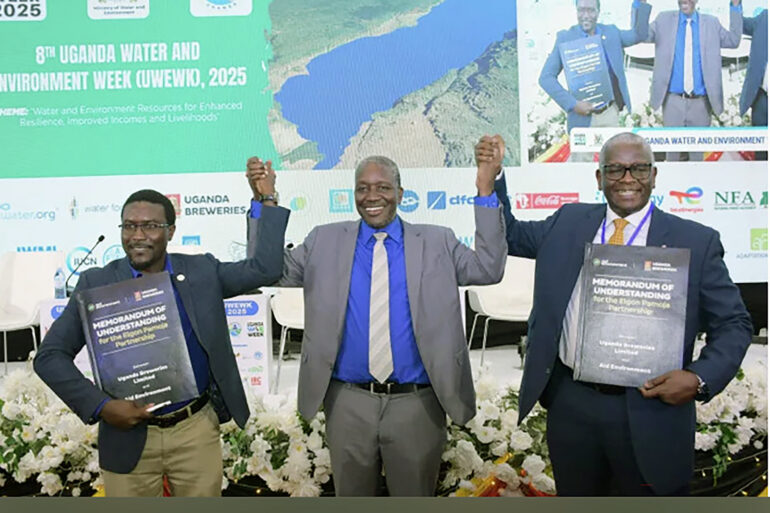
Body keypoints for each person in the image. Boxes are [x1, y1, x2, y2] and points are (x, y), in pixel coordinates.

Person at [476, 132, 752, 495]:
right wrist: (490, 180)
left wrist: (699, 378)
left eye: (638, 169)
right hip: (572, 405)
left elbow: (733, 323)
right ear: (599, 177)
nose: (627, 178)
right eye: (615, 169)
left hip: (650, 407)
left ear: (654, 175)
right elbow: (508, 234)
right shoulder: (568, 222)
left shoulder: (696, 241)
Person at [245, 154, 506, 496]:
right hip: (348, 402)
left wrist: (485, 188)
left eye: (383, 187)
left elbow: (488, 268)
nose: (372, 196)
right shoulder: (323, 241)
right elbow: (267, 270)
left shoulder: (438, 241)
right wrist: (265, 200)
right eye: (363, 188)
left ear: (400, 193)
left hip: (417, 403)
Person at [33, 189, 289, 496]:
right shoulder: (96, 282)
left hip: (194, 430)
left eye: (150, 226)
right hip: (126, 437)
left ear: (171, 231)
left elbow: (265, 269)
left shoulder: (202, 271)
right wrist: (102, 406)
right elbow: (49, 356)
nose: (138, 235)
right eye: (129, 226)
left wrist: (266, 200)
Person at [539, 0, 651, 160]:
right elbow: (545, 78)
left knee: (613, 162)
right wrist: (573, 104)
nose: (586, 15)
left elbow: (639, 35)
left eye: (591, 10)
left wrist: (640, 3)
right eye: (581, 10)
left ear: (599, 11)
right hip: (581, 118)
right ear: (576, 10)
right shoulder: (565, 38)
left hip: (609, 113)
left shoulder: (612, 33)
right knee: (581, 168)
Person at [646, 0, 743, 161]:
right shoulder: (663, 20)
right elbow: (641, 35)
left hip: (701, 104)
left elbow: (734, 40)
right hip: (672, 101)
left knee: (697, 158)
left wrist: (735, 4)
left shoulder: (712, 23)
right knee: (672, 157)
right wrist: (640, 4)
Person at [739, 7, 767, 160]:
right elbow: (739, 24)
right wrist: (735, 5)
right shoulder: (764, 18)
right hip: (762, 99)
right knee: (761, 152)